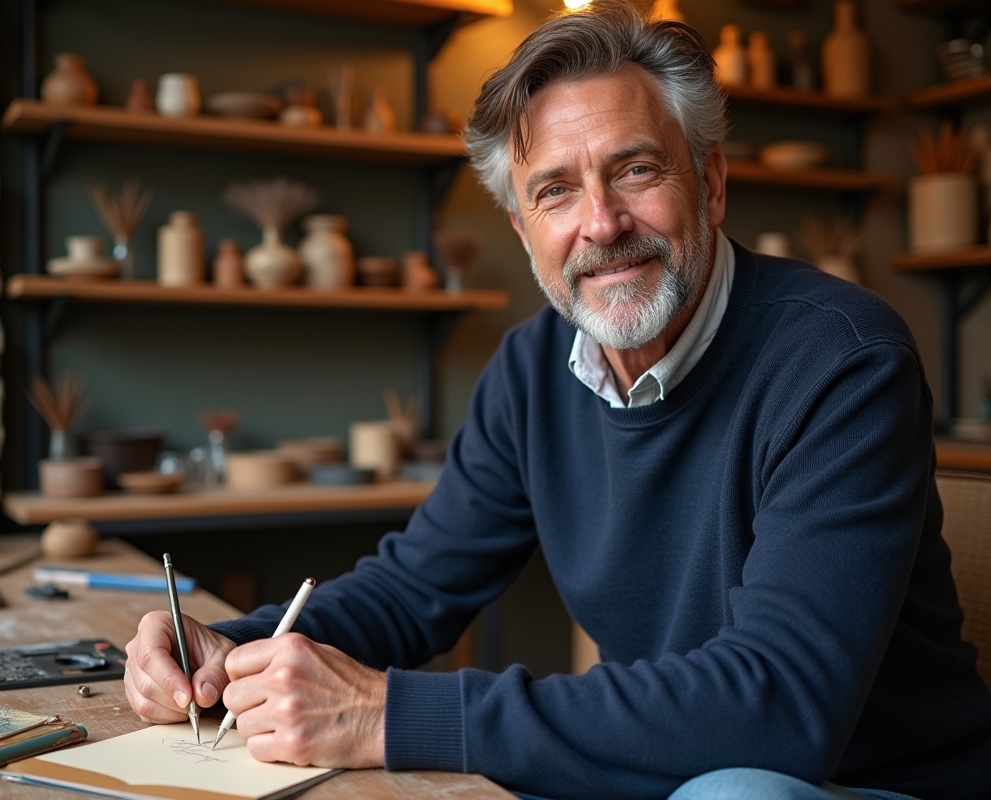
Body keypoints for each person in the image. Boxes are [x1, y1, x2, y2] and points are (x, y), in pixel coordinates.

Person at [123, 3, 991, 798]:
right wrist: (233, 649)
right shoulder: (532, 369)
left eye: (637, 169)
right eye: (556, 191)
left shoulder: (842, 361)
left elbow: (781, 710)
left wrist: (388, 714)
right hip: (675, 767)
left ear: (712, 182)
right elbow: (413, 589)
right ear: (523, 229)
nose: (603, 223)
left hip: (864, 783)